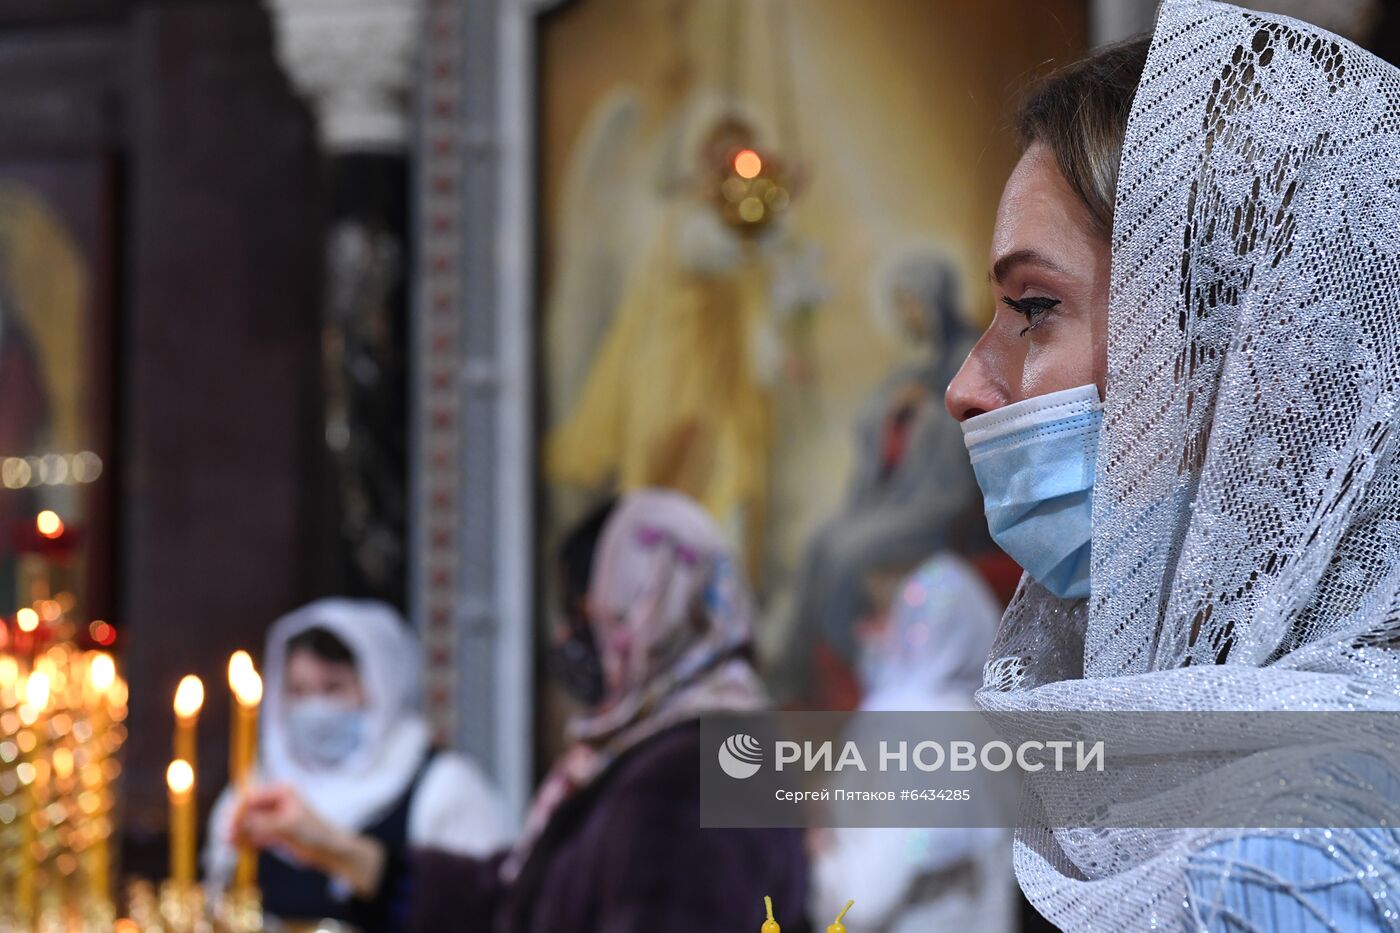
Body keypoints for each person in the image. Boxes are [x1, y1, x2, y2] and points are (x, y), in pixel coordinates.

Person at [945, 1, 1400, 929]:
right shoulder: (1209, 792)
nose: (965, 386)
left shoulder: (1291, 858)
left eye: (1034, 307)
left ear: (1243, 357)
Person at [409, 489, 808, 931]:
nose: (587, 642)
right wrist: (372, 870)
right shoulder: (674, 745)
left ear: (650, 618)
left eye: (604, 620)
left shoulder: (687, 774)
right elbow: (522, 897)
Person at [213, 599, 509, 931]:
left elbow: (482, 907)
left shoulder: (443, 785)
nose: (315, 707)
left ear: (380, 686)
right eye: (298, 690)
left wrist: (334, 847)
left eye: (333, 687)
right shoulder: (254, 790)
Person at [772, 249, 978, 702]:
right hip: (894, 501)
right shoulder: (916, 365)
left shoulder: (970, 356)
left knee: (849, 551)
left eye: (912, 302)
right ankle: (799, 673)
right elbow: (872, 420)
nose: (906, 315)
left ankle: (860, 664)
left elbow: (963, 440)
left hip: (942, 504)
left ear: (935, 299)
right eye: (900, 304)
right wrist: (893, 408)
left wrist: (923, 410)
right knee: (820, 543)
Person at [809, 554, 1015, 933]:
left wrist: (820, 856)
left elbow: (863, 901)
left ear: (916, 626)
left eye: (879, 616)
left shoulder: (903, 728)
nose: (862, 631)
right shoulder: (987, 721)